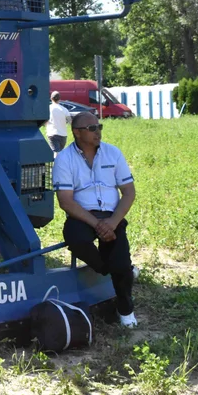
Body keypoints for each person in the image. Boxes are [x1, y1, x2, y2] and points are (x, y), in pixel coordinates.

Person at [52, 111, 139, 328]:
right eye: (92, 129)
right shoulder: (64, 159)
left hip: (112, 216)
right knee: (76, 238)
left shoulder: (113, 153)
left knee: (121, 262)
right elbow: (66, 201)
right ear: (77, 133)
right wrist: (97, 224)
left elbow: (128, 192)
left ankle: (125, 310)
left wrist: (113, 222)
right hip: (83, 215)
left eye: (99, 127)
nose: (97, 132)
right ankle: (106, 270)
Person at [46, 91, 72, 155]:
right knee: (60, 153)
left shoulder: (48, 109)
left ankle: (56, 164)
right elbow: (70, 121)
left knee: (56, 153)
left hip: (52, 133)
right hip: (63, 135)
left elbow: (45, 120)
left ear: (51, 98)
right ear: (59, 99)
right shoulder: (65, 110)